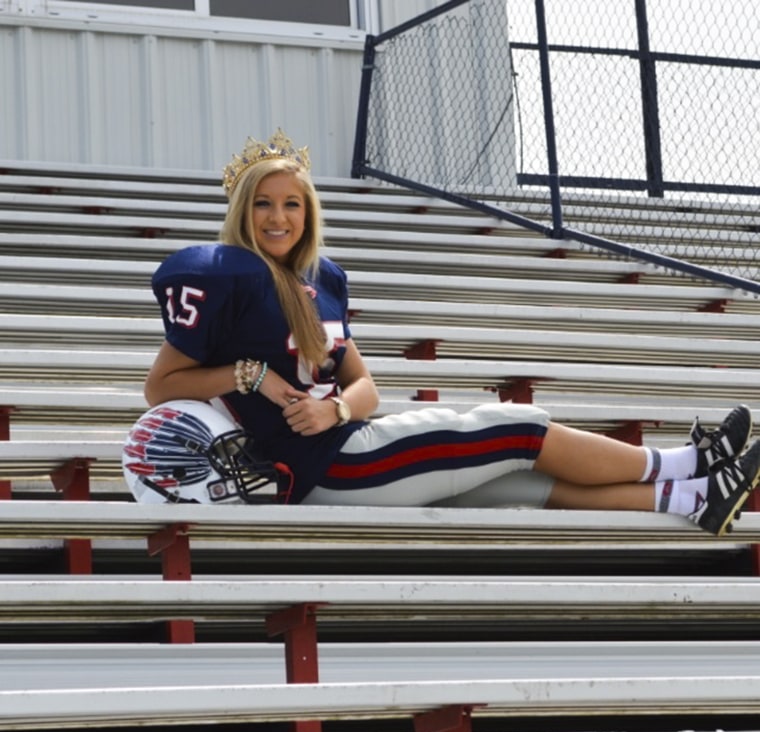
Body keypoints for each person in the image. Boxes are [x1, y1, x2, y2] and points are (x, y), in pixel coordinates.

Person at [140, 128, 760, 536]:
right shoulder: (224, 275)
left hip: (342, 440)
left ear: (309, 212)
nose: (279, 217)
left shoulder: (322, 277)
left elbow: (363, 387)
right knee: (517, 425)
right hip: (318, 468)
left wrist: (335, 413)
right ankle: (686, 461)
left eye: (292, 203)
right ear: (241, 211)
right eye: (264, 203)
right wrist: (251, 376)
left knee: (524, 482)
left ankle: (692, 502)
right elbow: (161, 386)